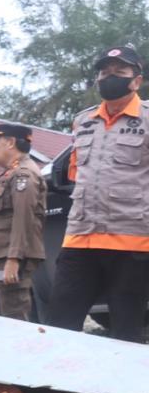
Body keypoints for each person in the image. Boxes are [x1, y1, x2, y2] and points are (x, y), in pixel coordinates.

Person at [50, 44, 149, 343]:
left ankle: (121, 392)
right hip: (80, 236)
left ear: (136, 80)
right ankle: (55, 391)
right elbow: (75, 172)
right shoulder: (83, 121)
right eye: (104, 72)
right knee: (60, 324)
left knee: (125, 330)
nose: (109, 77)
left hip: (132, 239)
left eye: (119, 72)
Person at [0, 123, 46, 321]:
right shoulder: (11, 174)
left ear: (11, 143)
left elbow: (24, 219)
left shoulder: (24, 175)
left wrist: (14, 259)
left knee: (13, 321)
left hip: (8, 259)